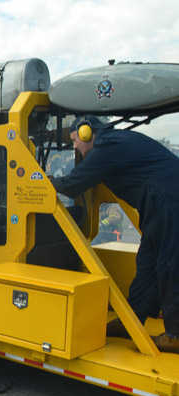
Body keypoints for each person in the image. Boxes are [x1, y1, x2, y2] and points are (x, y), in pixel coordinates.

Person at [50, 115, 179, 353]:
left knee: (169, 264)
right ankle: (132, 320)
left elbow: (72, 184)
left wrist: (44, 181)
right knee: (148, 263)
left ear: (87, 132)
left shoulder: (107, 147)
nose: (75, 147)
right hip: (158, 203)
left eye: (75, 140)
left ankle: (175, 335)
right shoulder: (112, 143)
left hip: (169, 202)